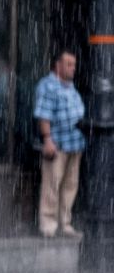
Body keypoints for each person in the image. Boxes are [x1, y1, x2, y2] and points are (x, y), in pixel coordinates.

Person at [33, 50, 86, 239]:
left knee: (70, 185)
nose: (73, 68)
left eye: (74, 64)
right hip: (57, 144)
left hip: (75, 144)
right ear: (58, 65)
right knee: (52, 184)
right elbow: (44, 115)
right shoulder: (48, 86)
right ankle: (48, 224)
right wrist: (47, 139)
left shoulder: (70, 87)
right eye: (69, 64)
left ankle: (65, 222)